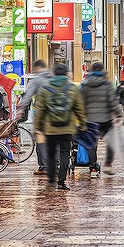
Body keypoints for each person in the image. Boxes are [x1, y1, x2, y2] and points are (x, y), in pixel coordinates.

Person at [33, 63, 86, 191]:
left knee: (51, 155)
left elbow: (40, 110)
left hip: (50, 128)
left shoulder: (46, 89)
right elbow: (79, 108)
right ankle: (61, 182)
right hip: (67, 128)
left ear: (54, 74)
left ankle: (51, 181)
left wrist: (37, 127)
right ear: (66, 74)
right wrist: (83, 123)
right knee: (64, 155)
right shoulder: (72, 88)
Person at [80, 61, 120, 177]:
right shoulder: (107, 84)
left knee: (92, 144)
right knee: (111, 141)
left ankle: (93, 168)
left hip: (90, 119)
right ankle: (108, 164)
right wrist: (118, 114)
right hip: (106, 119)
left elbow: (81, 103)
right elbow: (113, 101)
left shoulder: (85, 84)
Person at [17, 59, 54, 175]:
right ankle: (56, 164)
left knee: (41, 139)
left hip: (42, 114)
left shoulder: (37, 79)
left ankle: (44, 167)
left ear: (37, 68)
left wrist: (20, 109)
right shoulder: (54, 77)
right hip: (56, 114)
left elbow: (28, 96)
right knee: (54, 139)